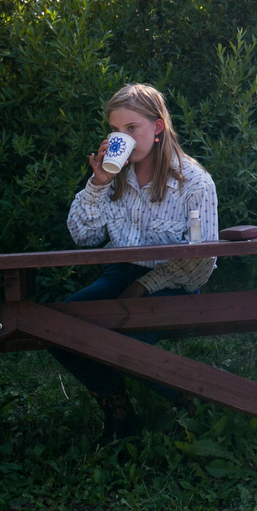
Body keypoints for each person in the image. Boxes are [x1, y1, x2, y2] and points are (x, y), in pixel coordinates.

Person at [55, 83, 219, 442]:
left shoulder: (193, 182)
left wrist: (147, 284)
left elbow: (202, 260)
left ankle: (189, 402)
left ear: (157, 128)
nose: (121, 137)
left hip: (174, 285)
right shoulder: (115, 178)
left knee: (121, 338)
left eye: (132, 129)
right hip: (119, 277)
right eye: (115, 130)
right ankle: (118, 409)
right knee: (58, 326)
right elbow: (82, 235)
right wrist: (98, 182)